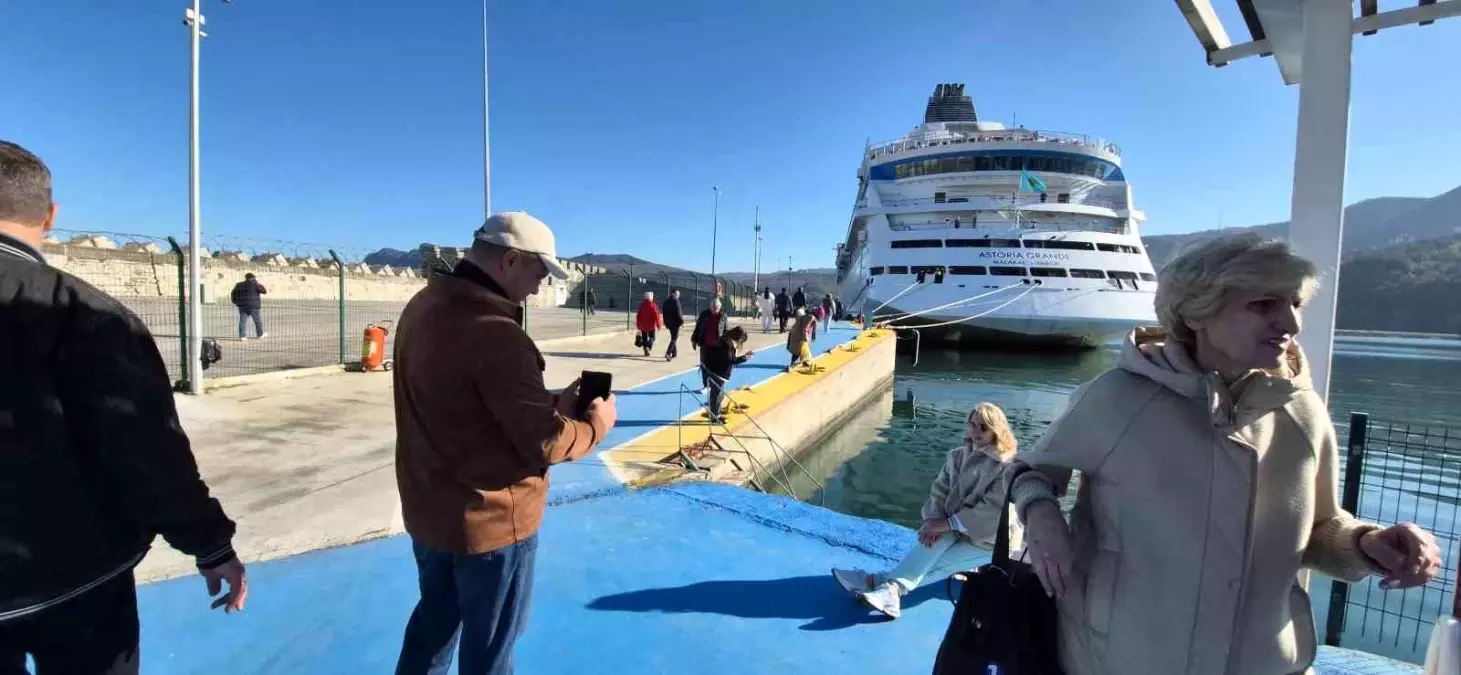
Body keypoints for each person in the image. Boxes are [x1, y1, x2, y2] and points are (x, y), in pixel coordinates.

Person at [1013, 233, 1443, 675]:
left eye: (1295, 304)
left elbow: (1320, 527)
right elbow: (1030, 472)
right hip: (1122, 659)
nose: (1290, 325)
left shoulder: (1303, 412)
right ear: (1197, 311)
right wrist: (1041, 513)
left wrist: (1366, 543)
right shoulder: (1117, 398)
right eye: (1263, 305)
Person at [0, 140, 247, 674]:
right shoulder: (86, 315)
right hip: (73, 580)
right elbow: (146, 452)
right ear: (50, 216)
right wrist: (209, 544)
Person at [393, 211, 620, 674]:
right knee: (490, 652)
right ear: (512, 260)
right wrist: (595, 426)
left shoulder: (422, 306)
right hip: (491, 525)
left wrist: (549, 399)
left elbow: (463, 400)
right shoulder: (497, 334)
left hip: (429, 512)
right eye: (539, 273)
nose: (540, 286)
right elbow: (545, 443)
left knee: (431, 632)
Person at [832, 403, 1022, 619]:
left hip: (990, 541)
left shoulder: (1006, 467)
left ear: (997, 431)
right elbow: (940, 491)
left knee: (939, 564)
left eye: (983, 428)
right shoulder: (957, 456)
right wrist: (934, 522)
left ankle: (881, 583)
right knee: (931, 545)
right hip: (957, 527)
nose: (976, 431)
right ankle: (888, 589)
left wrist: (946, 524)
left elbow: (993, 511)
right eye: (973, 425)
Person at [700, 326, 750, 423]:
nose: (741, 341)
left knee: (718, 394)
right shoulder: (727, 343)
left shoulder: (727, 341)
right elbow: (730, 359)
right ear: (737, 336)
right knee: (717, 395)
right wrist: (744, 358)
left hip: (715, 369)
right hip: (717, 371)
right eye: (741, 339)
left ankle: (715, 415)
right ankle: (715, 417)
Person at [690, 297, 730, 392]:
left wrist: (727, 344)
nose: (715, 310)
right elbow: (698, 328)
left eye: (717, 308)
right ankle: (706, 385)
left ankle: (715, 384)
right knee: (704, 365)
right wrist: (694, 339)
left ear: (720, 307)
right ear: (710, 307)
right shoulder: (704, 315)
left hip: (718, 346)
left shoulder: (723, 316)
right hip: (705, 345)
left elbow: (726, 331)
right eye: (713, 308)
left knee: (715, 367)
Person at [230, 272, 268, 339]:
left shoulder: (239, 284)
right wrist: (257, 283)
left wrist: (235, 302)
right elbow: (264, 291)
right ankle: (260, 334)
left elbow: (233, 293)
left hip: (242, 306)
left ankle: (242, 336)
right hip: (253, 306)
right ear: (253, 278)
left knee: (242, 321)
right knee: (257, 321)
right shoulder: (255, 284)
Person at [786, 306, 818, 371]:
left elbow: (810, 327)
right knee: (797, 350)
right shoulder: (810, 317)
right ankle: (792, 363)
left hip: (799, 334)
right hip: (797, 335)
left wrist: (812, 335)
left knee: (804, 349)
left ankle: (804, 361)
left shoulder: (811, 317)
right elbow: (805, 329)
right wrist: (806, 338)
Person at [635, 291, 663, 357]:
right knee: (652, 338)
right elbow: (657, 316)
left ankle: (645, 349)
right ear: (651, 298)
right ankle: (648, 347)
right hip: (651, 325)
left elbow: (638, 315)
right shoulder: (653, 305)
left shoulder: (642, 305)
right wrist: (659, 325)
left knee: (644, 338)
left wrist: (638, 325)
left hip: (642, 325)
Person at [662, 289, 684, 362]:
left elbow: (664, 313)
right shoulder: (676, 302)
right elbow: (679, 313)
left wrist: (666, 322)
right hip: (675, 323)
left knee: (673, 337)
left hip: (669, 323)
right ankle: (668, 353)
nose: (678, 296)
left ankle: (674, 353)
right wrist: (681, 322)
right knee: (674, 338)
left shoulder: (666, 302)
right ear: (673, 294)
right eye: (677, 294)